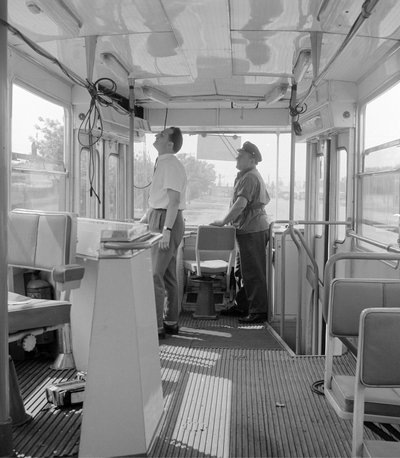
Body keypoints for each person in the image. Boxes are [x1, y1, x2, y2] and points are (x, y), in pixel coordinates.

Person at [211, 141, 270, 324]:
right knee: (242, 271)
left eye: (241, 156)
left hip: (252, 229)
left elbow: (240, 204)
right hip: (246, 228)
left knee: (253, 272)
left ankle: (259, 311)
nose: (237, 158)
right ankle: (243, 305)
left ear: (252, 160)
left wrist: (223, 221)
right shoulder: (246, 175)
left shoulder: (250, 177)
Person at [140, 127, 187, 338]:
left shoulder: (171, 165)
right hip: (159, 217)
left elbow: (173, 201)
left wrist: (166, 230)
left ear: (170, 144)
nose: (157, 135)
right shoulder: (163, 163)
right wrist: (145, 219)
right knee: (167, 275)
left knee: (154, 275)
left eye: (162, 134)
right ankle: (170, 321)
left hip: (166, 220)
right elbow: (158, 200)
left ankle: (156, 326)